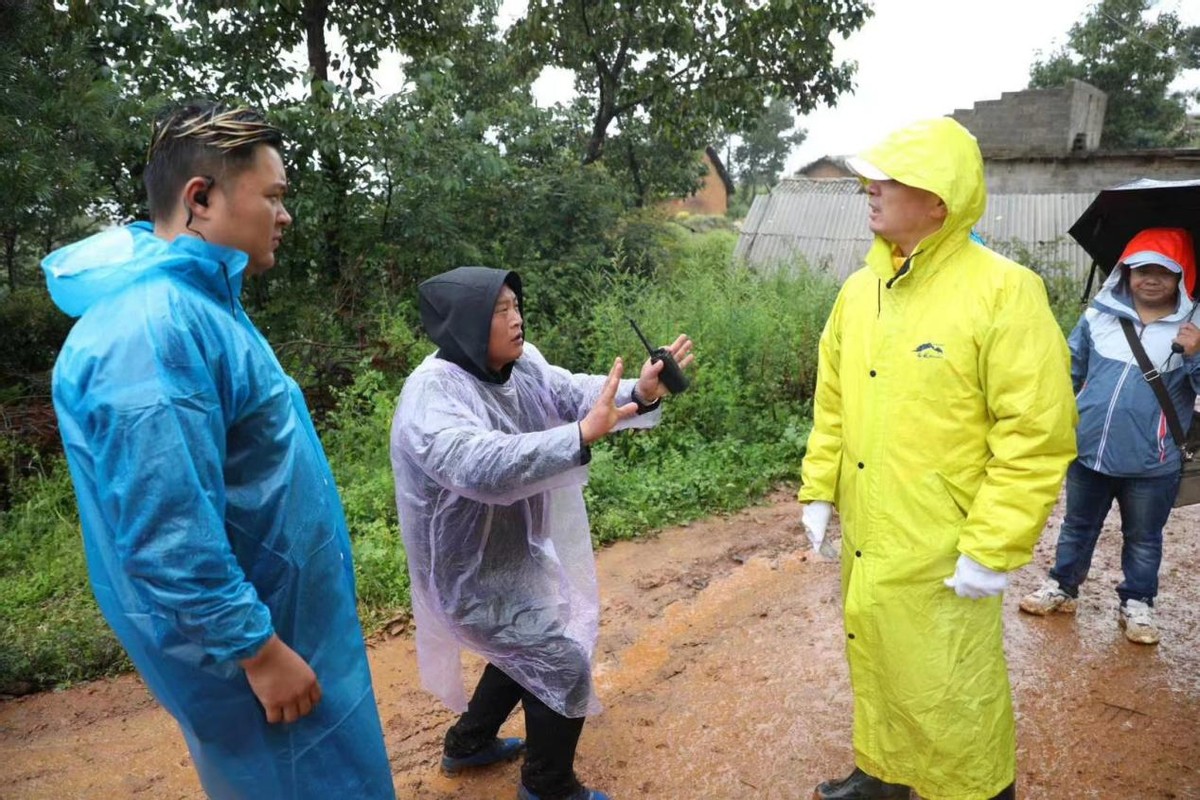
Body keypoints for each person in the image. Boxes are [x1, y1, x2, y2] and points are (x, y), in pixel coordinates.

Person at [42, 101, 394, 799]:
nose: (284, 215)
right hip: (262, 665)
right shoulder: (152, 330)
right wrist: (257, 651)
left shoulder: (198, 306)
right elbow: (167, 532)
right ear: (200, 199)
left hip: (289, 638)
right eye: (273, 196)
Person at [797, 117, 1077, 800]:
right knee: (880, 653)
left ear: (939, 200)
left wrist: (993, 544)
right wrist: (818, 487)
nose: (870, 187)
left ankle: (977, 789)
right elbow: (832, 399)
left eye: (890, 178)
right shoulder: (859, 291)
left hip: (944, 539)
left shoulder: (1004, 292)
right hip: (872, 529)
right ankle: (883, 771)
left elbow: (1035, 433)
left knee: (951, 681)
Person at [390, 266, 692, 800]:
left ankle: (468, 743)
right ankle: (548, 785)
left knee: (528, 641)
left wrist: (638, 392)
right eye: (500, 310)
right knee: (561, 657)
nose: (517, 318)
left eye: (515, 304)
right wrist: (575, 436)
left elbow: (571, 392)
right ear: (464, 325)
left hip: (512, 551)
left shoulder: (520, 364)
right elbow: (479, 463)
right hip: (464, 572)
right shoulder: (431, 396)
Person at [1020, 228, 1200, 644]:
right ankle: (1062, 587)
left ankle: (1138, 603)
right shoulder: (1099, 315)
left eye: (1164, 271)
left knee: (1143, 538)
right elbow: (1070, 370)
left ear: (1181, 277)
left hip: (1152, 462)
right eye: (1141, 269)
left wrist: (1195, 355)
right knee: (1077, 526)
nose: (1151, 279)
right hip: (1088, 450)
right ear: (1125, 271)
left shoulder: (1194, 327)